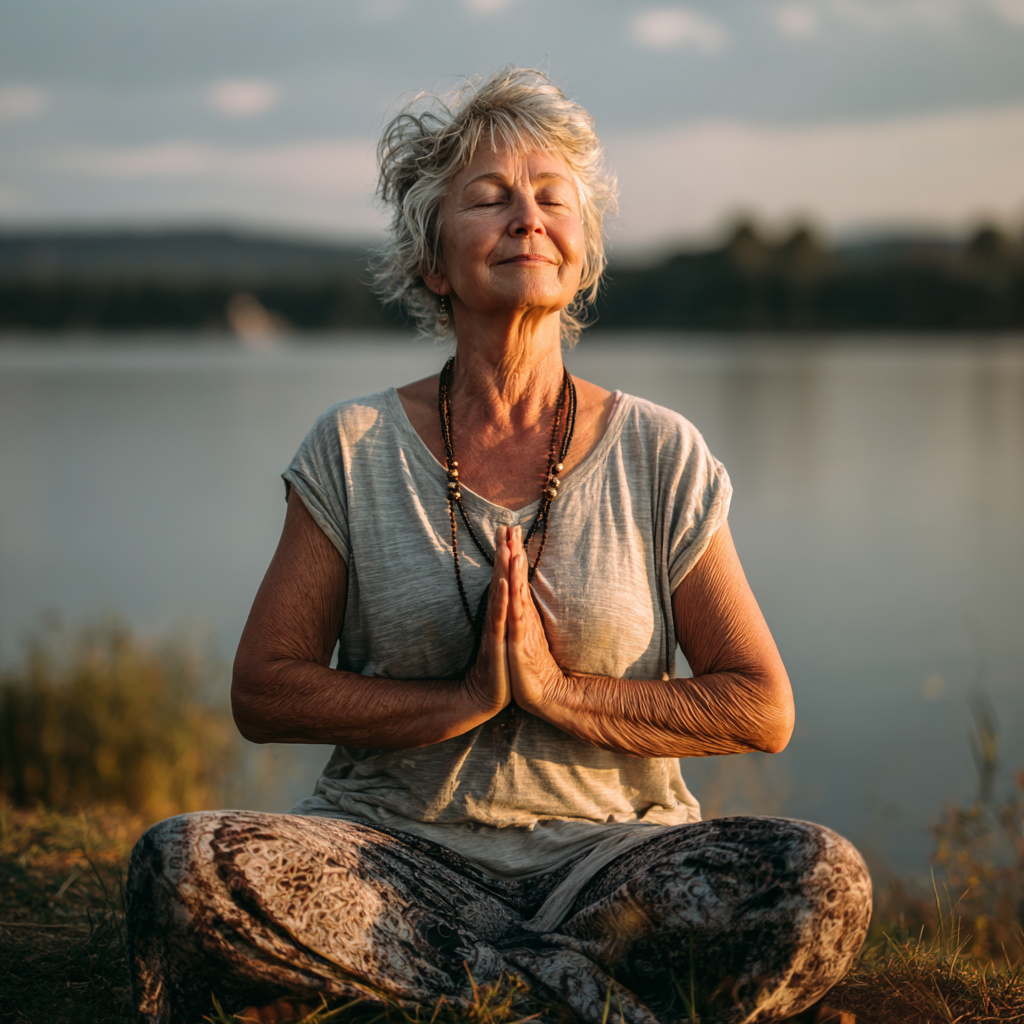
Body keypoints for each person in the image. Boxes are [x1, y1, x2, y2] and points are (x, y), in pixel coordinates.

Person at [125, 67, 871, 1024]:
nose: (527, 217)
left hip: (611, 862)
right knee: (184, 866)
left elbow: (761, 708)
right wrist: (463, 699)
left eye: (551, 199)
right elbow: (264, 690)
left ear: (581, 256)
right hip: (391, 853)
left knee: (820, 880)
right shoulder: (353, 445)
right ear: (435, 263)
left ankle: (447, 989)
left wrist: (556, 694)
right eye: (489, 200)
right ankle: (571, 995)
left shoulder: (659, 450)